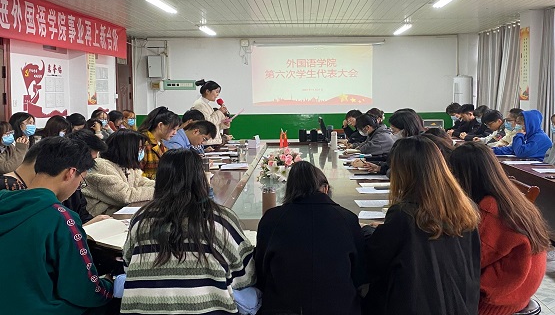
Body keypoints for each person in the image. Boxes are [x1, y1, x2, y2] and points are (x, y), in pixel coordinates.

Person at [122, 149, 256, 314]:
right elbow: (245, 276)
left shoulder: (141, 218)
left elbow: (127, 266)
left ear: (160, 180)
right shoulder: (220, 219)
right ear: (201, 178)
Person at [364, 136, 480, 315]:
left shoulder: (405, 214)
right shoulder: (466, 208)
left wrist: (368, 231)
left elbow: (374, 260)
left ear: (403, 173)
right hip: (461, 305)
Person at [0, 137, 113, 314]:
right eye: (81, 181)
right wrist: (110, 284)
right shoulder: (61, 218)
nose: (78, 187)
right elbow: (81, 289)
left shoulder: (4, 199)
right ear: (70, 173)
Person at [449, 143, 549, 315]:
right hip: (518, 293)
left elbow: (472, 259)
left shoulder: (490, 208)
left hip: (495, 302)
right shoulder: (510, 197)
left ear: (463, 175)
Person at [255, 161, 365, 315]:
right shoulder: (348, 219)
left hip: (282, 309)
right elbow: (359, 273)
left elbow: (261, 271)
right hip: (341, 309)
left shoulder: (272, 219)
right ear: (325, 189)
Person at [83, 129, 156, 216]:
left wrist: (163, 186)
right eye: (140, 148)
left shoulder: (127, 165)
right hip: (99, 218)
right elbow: (126, 196)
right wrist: (159, 191)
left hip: (116, 214)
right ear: (127, 149)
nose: (142, 152)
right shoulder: (101, 166)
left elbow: (142, 182)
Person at [137, 106, 181, 179]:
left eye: (177, 130)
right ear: (160, 125)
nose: (175, 133)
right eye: (173, 129)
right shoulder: (143, 144)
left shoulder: (161, 144)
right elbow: (136, 175)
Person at [191, 79, 230, 145]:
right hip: (207, 142)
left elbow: (215, 125)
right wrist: (220, 112)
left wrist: (224, 123)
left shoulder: (206, 105)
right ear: (207, 91)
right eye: (216, 92)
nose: (217, 95)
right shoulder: (199, 105)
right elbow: (208, 123)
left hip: (212, 141)